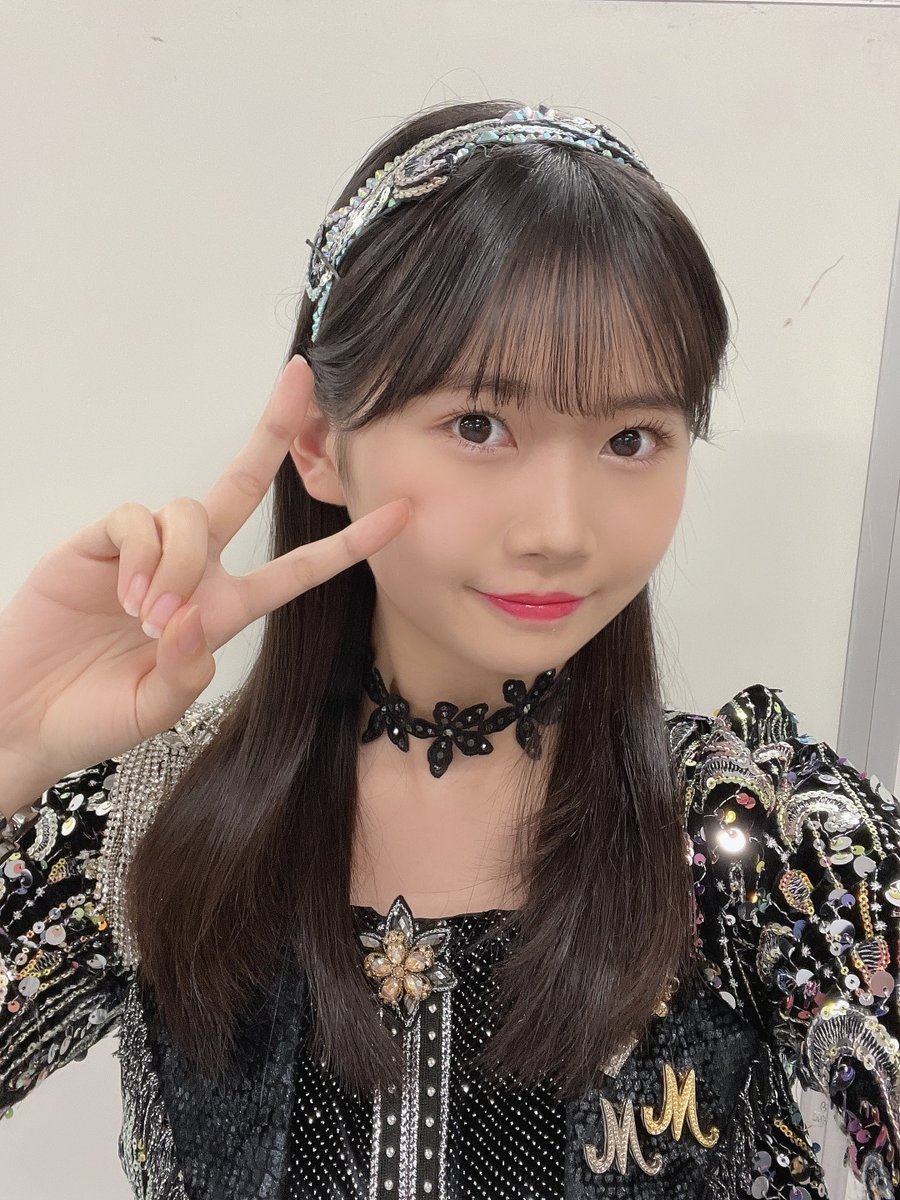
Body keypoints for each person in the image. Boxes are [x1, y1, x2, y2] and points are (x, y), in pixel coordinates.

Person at [0, 98, 897, 1200]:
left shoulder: (755, 834)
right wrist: (12, 745)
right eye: (480, 426)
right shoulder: (146, 820)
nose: (560, 529)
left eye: (631, 438)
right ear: (321, 445)